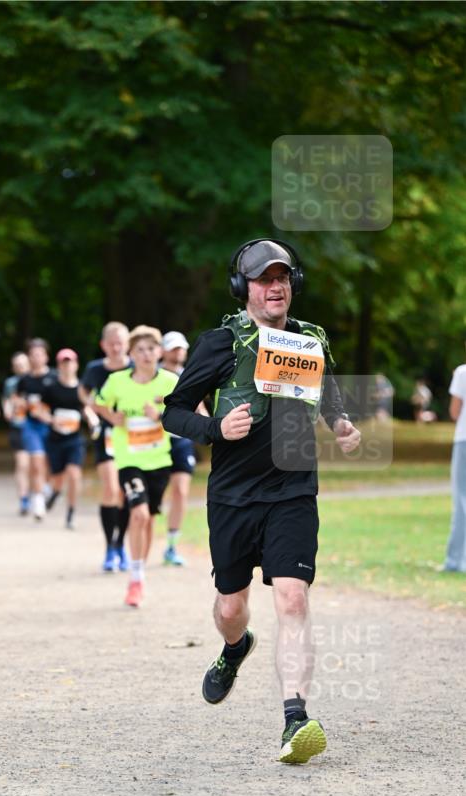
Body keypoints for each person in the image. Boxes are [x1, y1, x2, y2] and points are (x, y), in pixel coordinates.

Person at [162, 238, 360, 764]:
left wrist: (339, 423)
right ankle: (234, 646)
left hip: (293, 490)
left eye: (283, 278)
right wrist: (214, 427)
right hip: (232, 496)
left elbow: (327, 393)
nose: (275, 287)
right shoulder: (221, 343)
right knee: (232, 606)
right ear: (243, 287)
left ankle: (295, 719)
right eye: (263, 279)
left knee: (293, 598)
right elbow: (174, 411)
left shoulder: (308, 340)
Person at [96, 326, 178, 607]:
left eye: (151, 348)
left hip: (160, 461)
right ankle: (135, 579)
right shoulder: (117, 381)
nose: (146, 354)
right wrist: (113, 418)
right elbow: (99, 404)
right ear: (130, 354)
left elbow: (187, 413)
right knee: (139, 514)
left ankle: (140, 570)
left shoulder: (170, 381)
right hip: (129, 460)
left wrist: (162, 415)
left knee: (150, 518)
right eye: (139, 349)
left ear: (160, 352)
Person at [80, 321, 132, 571]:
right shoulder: (94, 369)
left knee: (124, 493)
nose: (115, 347)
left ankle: (120, 543)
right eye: (111, 343)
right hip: (107, 435)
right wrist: (91, 412)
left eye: (120, 342)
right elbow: (84, 394)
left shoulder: (136, 368)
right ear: (103, 345)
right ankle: (109, 548)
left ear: (127, 344)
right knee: (111, 489)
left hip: (134, 437)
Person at [37, 348, 99, 529]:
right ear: (58, 366)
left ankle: (70, 513)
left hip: (74, 439)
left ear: (76, 365)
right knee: (57, 478)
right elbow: (40, 410)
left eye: (70, 362)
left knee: (73, 474)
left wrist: (92, 420)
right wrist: (51, 419)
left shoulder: (81, 389)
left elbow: (87, 409)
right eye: (63, 363)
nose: (67, 366)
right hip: (55, 439)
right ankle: (55, 493)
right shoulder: (51, 388)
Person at [160, 330, 205, 567]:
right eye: (173, 348)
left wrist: (211, 430)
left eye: (181, 348)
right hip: (154, 441)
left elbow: (198, 407)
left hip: (180, 440)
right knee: (153, 496)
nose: (178, 352)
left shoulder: (190, 374)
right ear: (163, 350)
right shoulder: (151, 374)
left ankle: (171, 545)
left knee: (181, 491)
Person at [14, 339, 56, 521]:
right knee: (36, 462)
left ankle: (45, 489)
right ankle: (38, 502)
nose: (36, 358)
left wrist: (47, 413)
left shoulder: (54, 377)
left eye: (40, 354)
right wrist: (21, 405)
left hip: (51, 426)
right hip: (31, 427)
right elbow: (16, 399)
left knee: (48, 464)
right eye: (33, 355)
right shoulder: (25, 380)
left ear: (46, 356)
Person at [444, 354, 466, 573]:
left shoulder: (462, 372)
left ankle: (455, 561)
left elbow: (454, 412)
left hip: (464, 440)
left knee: (461, 501)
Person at [2, 351, 31, 514]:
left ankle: (38, 493)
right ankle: (23, 498)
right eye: (17, 365)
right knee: (22, 464)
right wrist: (7, 410)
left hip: (36, 428)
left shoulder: (36, 381)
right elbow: (7, 401)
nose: (20, 367)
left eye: (23, 364)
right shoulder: (10, 383)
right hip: (18, 427)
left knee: (36, 465)